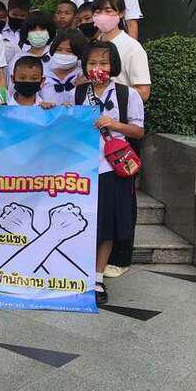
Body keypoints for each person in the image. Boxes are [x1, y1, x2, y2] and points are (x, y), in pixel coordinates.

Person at [75, 40, 144, 304]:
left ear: (113, 65)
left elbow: (138, 131)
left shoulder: (127, 95)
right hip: (83, 167)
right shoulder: (78, 93)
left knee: (107, 224)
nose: (98, 68)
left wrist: (113, 124)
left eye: (103, 63)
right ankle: (78, 272)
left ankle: (97, 278)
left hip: (112, 168)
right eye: (92, 63)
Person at [91, 0, 151, 102]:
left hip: (120, 111)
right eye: (98, 12)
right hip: (91, 110)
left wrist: (109, 92)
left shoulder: (132, 48)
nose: (102, 15)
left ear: (121, 13)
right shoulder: (92, 46)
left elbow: (144, 93)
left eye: (108, 11)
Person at [42, 29, 88, 105]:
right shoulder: (43, 74)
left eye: (69, 51)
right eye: (59, 50)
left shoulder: (84, 76)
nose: (63, 54)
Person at [8, 10, 55, 81]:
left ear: (49, 32)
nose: (38, 32)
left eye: (42, 29)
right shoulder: (17, 59)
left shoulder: (57, 55)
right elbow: (11, 84)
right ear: (26, 33)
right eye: (33, 29)